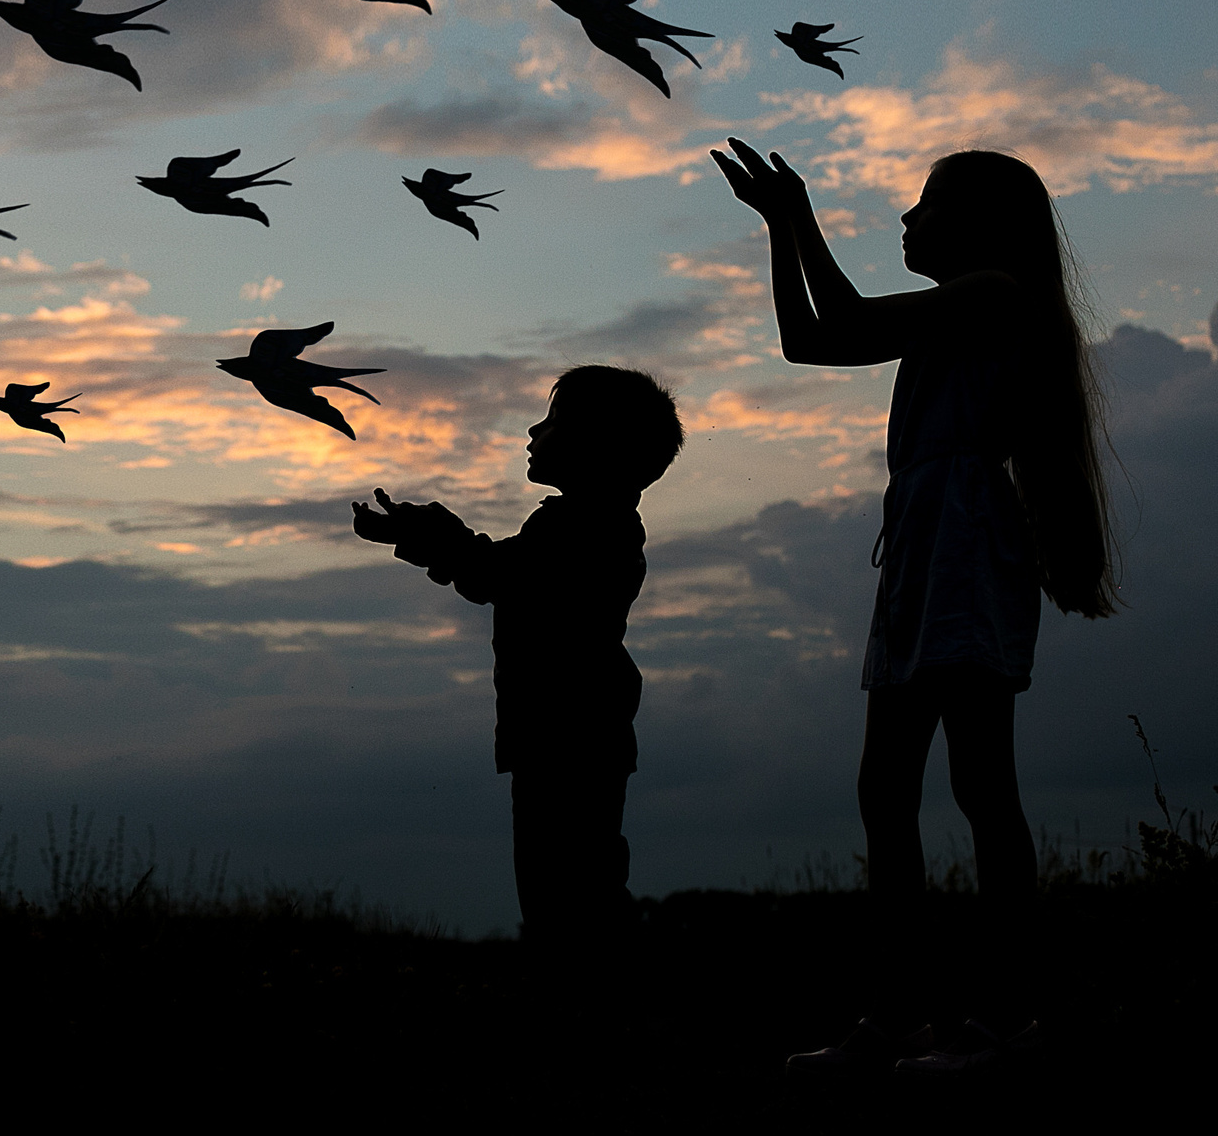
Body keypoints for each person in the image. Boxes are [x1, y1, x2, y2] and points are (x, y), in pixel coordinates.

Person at [708, 139, 1118, 1078]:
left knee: (979, 787)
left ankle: (1010, 1019)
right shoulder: (956, 313)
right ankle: (900, 1016)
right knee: (885, 790)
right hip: (926, 544)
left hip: (966, 541)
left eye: (923, 203)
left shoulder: (992, 295)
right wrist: (780, 228)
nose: (905, 219)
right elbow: (809, 341)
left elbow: (842, 316)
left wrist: (801, 214)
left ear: (977, 224)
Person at [355, 364, 684, 951]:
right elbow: (498, 571)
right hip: (568, 738)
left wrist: (431, 532)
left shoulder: (584, 528)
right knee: (575, 894)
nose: (534, 431)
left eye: (554, 421)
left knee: (567, 901)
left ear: (596, 447)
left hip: (566, 739)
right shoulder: (589, 525)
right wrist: (431, 534)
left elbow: (495, 574)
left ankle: (605, 1011)